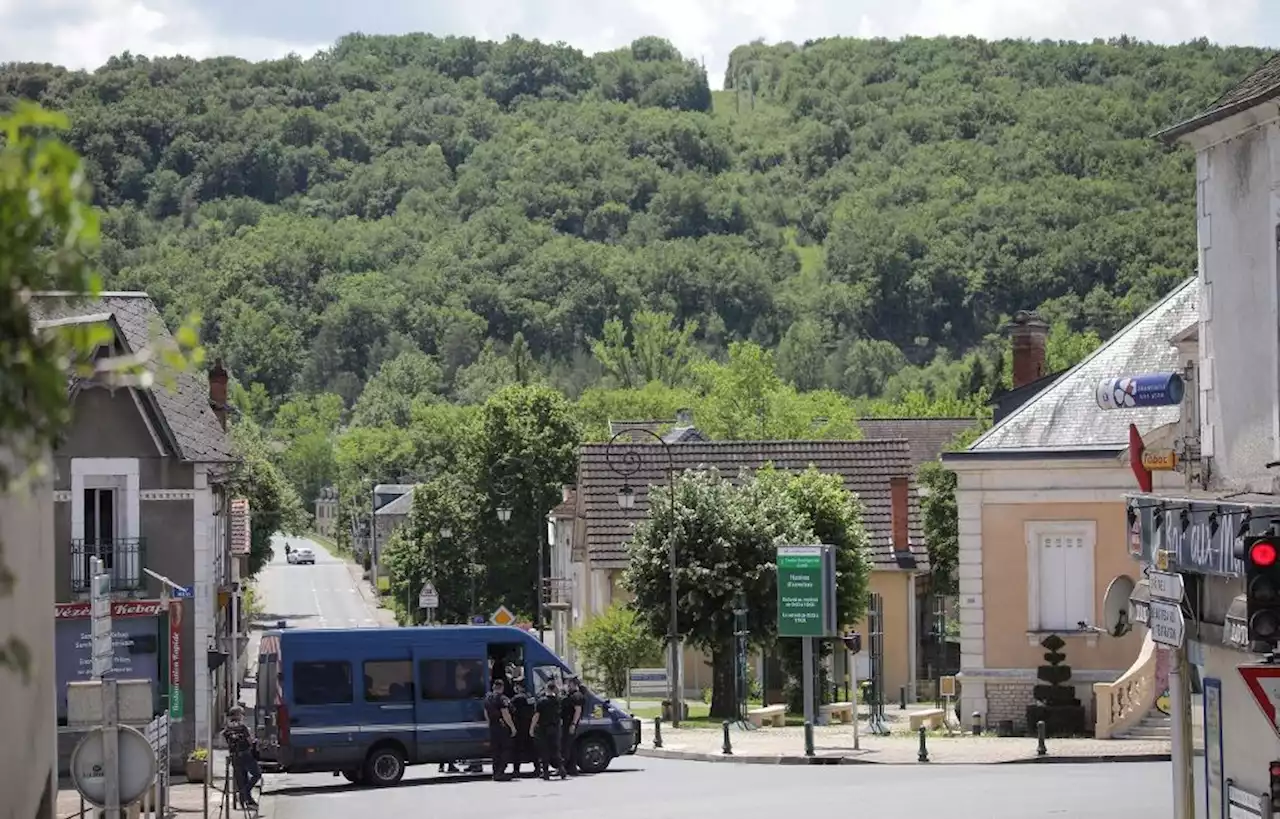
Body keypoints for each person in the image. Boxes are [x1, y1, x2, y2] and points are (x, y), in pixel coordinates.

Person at [222, 706, 261, 809]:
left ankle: (247, 801)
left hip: (234, 757)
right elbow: (249, 741)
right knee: (257, 774)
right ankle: (243, 795)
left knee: (243, 779)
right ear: (238, 715)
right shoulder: (243, 727)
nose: (243, 716)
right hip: (246, 754)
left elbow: (225, 741)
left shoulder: (227, 729)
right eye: (242, 714)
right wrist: (255, 741)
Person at [530, 679, 566, 780]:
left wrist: (532, 728)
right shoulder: (558, 701)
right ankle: (561, 769)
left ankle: (545, 773)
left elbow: (536, 716)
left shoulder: (541, 701)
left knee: (544, 750)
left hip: (543, 729)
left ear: (546, 688)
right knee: (555, 750)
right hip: (555, 728)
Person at [483, 678, 516, 781]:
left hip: (493, 727)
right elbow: (505, 714)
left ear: (493, 687)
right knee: (505, 749)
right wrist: (512, 727)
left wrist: (490, 724)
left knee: (495, 751)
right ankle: (500, 772)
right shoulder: (502, 698)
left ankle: (495, 772)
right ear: (502, 687)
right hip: (502, 727)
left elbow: (486, 713)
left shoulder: (487, 698)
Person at [509, 679, 538, 777]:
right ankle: (537, 768)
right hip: (529, 725)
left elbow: (510, 708)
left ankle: (516, 770)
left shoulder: (516, 698)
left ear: (518, 687)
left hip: (519, 726)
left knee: (517, 749)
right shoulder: (530, 697)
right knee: (532, 748)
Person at [560, 675, 585, 775]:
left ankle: (563, 767)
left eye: (568, 683)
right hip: (568, 723)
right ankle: (572, 768)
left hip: (570, 724)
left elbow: (578, 711)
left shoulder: (577, 696)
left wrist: (573, 724)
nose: (567, 685)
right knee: (571, 746)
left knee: (566, 746)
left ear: (573, 684)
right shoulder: (570, 695)